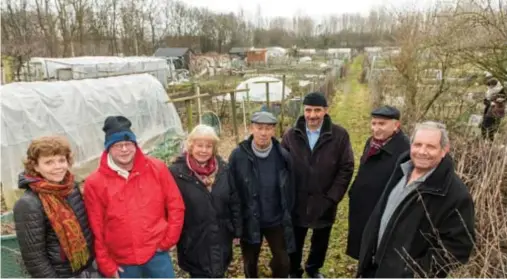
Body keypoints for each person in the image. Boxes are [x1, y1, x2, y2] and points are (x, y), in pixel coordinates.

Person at [357, 121, 475, 278]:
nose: (422, 151)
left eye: (430, 146)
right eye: (418, 144)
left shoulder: (455, 194)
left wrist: (412, 272)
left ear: (444, 150)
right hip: (373, 266)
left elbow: (458, 248)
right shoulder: (401, 169)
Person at [84, 116, 185, 278]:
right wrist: (106, 264)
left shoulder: (156, 169)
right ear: (108, 148)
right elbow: (96, 227)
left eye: (128, 144)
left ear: (135, 145)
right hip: (123, 262)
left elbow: (176, 205)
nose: (124, 149)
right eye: (117, 145)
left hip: (157, 254)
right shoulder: (95, 182)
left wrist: (169, 239)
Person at [282, 92, 355, 278]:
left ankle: (313, 268)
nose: (312, 115)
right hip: (297, 200)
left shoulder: (339, 135)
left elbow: (346, 168)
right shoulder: (291, 135)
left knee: (320, 240)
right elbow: (282, 167)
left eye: (317, 110)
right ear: (303, 111)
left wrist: (332, 198)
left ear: (326, 111)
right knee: (295, 240)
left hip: (324, 199)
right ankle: (294, 270)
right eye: (308, 110)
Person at [13, 136, 97, 278]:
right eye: (49, 162)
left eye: (61, 160)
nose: (58, 167)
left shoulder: (70, 187)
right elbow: (35, 260)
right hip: (62, 274)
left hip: (88, 267)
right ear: (35, 166)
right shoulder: (29, 204)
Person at [169, 124, 242, 278]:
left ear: (214, 148)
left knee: (219, 272)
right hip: (194, 240)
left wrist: (237, 229)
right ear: (191, 146)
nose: (203, 150)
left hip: (221, 236)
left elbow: (234, 200)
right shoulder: (177, 173)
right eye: (199, 145)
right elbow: (169, 206)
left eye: (208, 146)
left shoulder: (223, 169)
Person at [228, 111, 295, 278]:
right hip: (250, 218)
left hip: (276, 219)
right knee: (250, 262)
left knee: (283, 261)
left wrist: (288, 211)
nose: (263, 133)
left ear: (274, 131)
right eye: (259, 128)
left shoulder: (283, 156)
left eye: (268, 128)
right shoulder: (238, 156)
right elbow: (231, 189)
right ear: (252, 128)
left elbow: (291, 187)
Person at [346, 106, 410, 260]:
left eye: (382, 124)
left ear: (396, 125)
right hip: (363, 205)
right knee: (362, 247)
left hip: (381, 209)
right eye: (374, 123)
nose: (376, 128)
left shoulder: (405, 150)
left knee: (376, 251)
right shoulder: (372, 142)